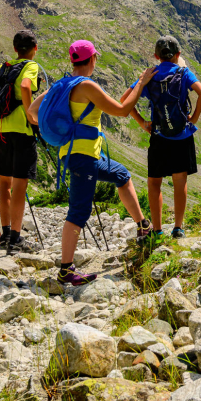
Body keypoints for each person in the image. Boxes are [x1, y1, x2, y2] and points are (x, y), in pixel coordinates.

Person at [29, 40, 155, 286]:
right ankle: (66, 270)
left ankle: (143, 226)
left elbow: (33, 112)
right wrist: (141, 84)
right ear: (92, 60)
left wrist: (64, 128)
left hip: (78, 154)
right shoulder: (86, 85)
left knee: (122, 176)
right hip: (83, 157)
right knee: (79, 211)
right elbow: (121, 110)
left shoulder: (59, 85)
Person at [123, 36, 201, 239]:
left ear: (156, 56)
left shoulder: (150, 75)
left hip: (159, 136)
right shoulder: (183, 72)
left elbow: (125, 99)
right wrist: (193, 119)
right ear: (178, 55)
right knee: (180, 181)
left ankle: (157, 230)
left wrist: (143, 122)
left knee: (154, 183)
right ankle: (178, 228)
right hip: (182, 135)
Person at [0, 30, 40, 253]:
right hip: (22, 132)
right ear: (35, 48)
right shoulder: (31, 67)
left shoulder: (3, 67)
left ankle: (4, 235)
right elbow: (25, 87)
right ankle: (16, 237)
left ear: (14, 49)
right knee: (20, 185)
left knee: (5, 183)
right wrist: (32, 116)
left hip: (1, 131)